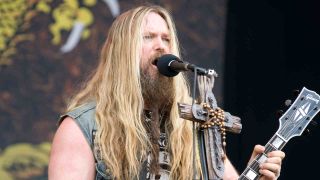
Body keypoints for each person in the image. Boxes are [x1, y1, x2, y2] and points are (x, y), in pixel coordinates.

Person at [48, 5, 285, 180]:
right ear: (122, 53)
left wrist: (256, 176)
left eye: (167, 39)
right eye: (148, 37)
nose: (161, 45)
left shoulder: (196, 123)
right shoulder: (82, 126)